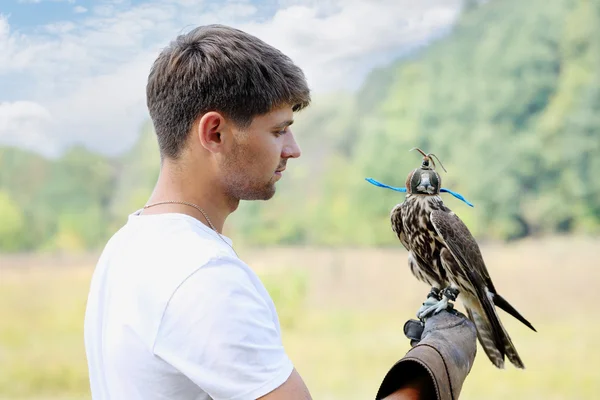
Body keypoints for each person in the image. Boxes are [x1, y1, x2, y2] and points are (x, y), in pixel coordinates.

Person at [83, 24, 477, 400]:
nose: (293, 148)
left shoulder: (126, 247)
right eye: (277, 131)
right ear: (214, 133)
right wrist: (432, 368)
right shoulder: (202, 276)